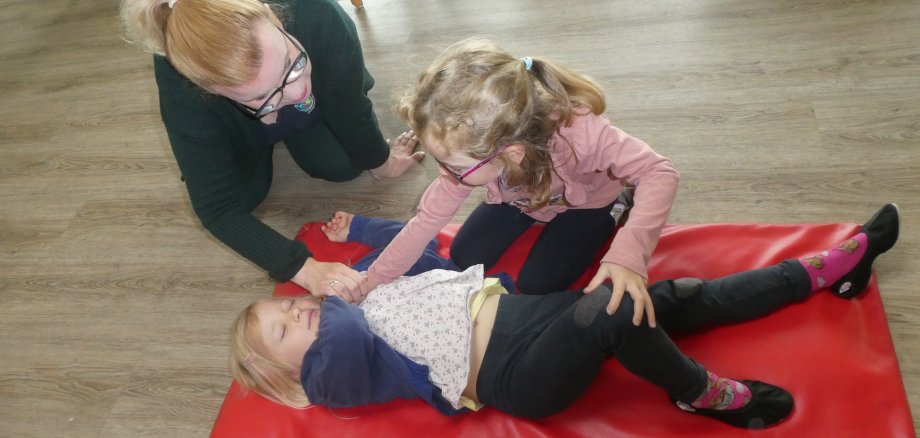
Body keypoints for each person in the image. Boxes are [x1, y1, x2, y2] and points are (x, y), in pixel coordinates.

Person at [229, 203, 901, 429]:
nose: (302, 316)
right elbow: (341, 341)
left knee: (673, 297)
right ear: (284, 371)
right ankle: (701, 394)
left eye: (290, 308)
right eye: (286, 329)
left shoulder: (367, 297)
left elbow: (424, 257)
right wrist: (339, 300)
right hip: (519, 376)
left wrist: (367, 233)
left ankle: (825, 270)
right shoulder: (332, 375)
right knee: (618, 305)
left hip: (535, 314)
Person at [361, 37, 680, 327]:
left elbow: (659, 172)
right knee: (464, 253)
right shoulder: (470, 157)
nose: (445, 173)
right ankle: (532, 210)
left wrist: (629, 253)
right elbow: (424, 223)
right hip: (521, 199)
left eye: (454, 165)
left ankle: (619, 204)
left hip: (587, 202)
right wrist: (372, 279)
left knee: (537, 284)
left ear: (512, 153)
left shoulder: (583, 134)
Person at [119, 0, 423, 295]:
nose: (298, 90)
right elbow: (217, 209)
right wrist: (304, 269)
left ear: (273, 17)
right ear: (210, 91)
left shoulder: (313, 12)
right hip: (242, 126)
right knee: (246, 196)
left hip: (317, 91)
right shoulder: (183, 87)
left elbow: (349, 106)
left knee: (341, 164)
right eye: (261, 96)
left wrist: (382, 162)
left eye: (291, 64)